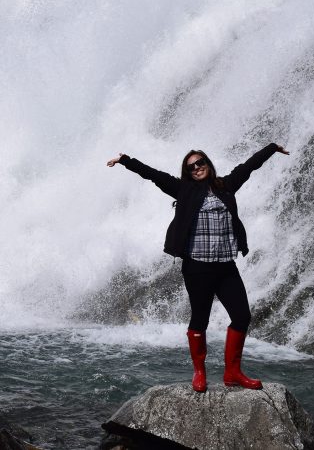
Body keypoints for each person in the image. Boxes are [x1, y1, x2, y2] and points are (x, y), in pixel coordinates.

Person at [106, 143, 289, 392]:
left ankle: (232, 372)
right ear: (187, 172)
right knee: (199, 319)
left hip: (226, 267)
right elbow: (153, 175)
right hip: (197, 267)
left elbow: (249, 167)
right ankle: (199, 372)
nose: (197, 168)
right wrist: (125, 160)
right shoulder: (183, 190)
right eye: (191, 167)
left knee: (242, 316)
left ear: (208, 164)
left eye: (200, 163)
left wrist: (272, 149)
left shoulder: (226, 185)